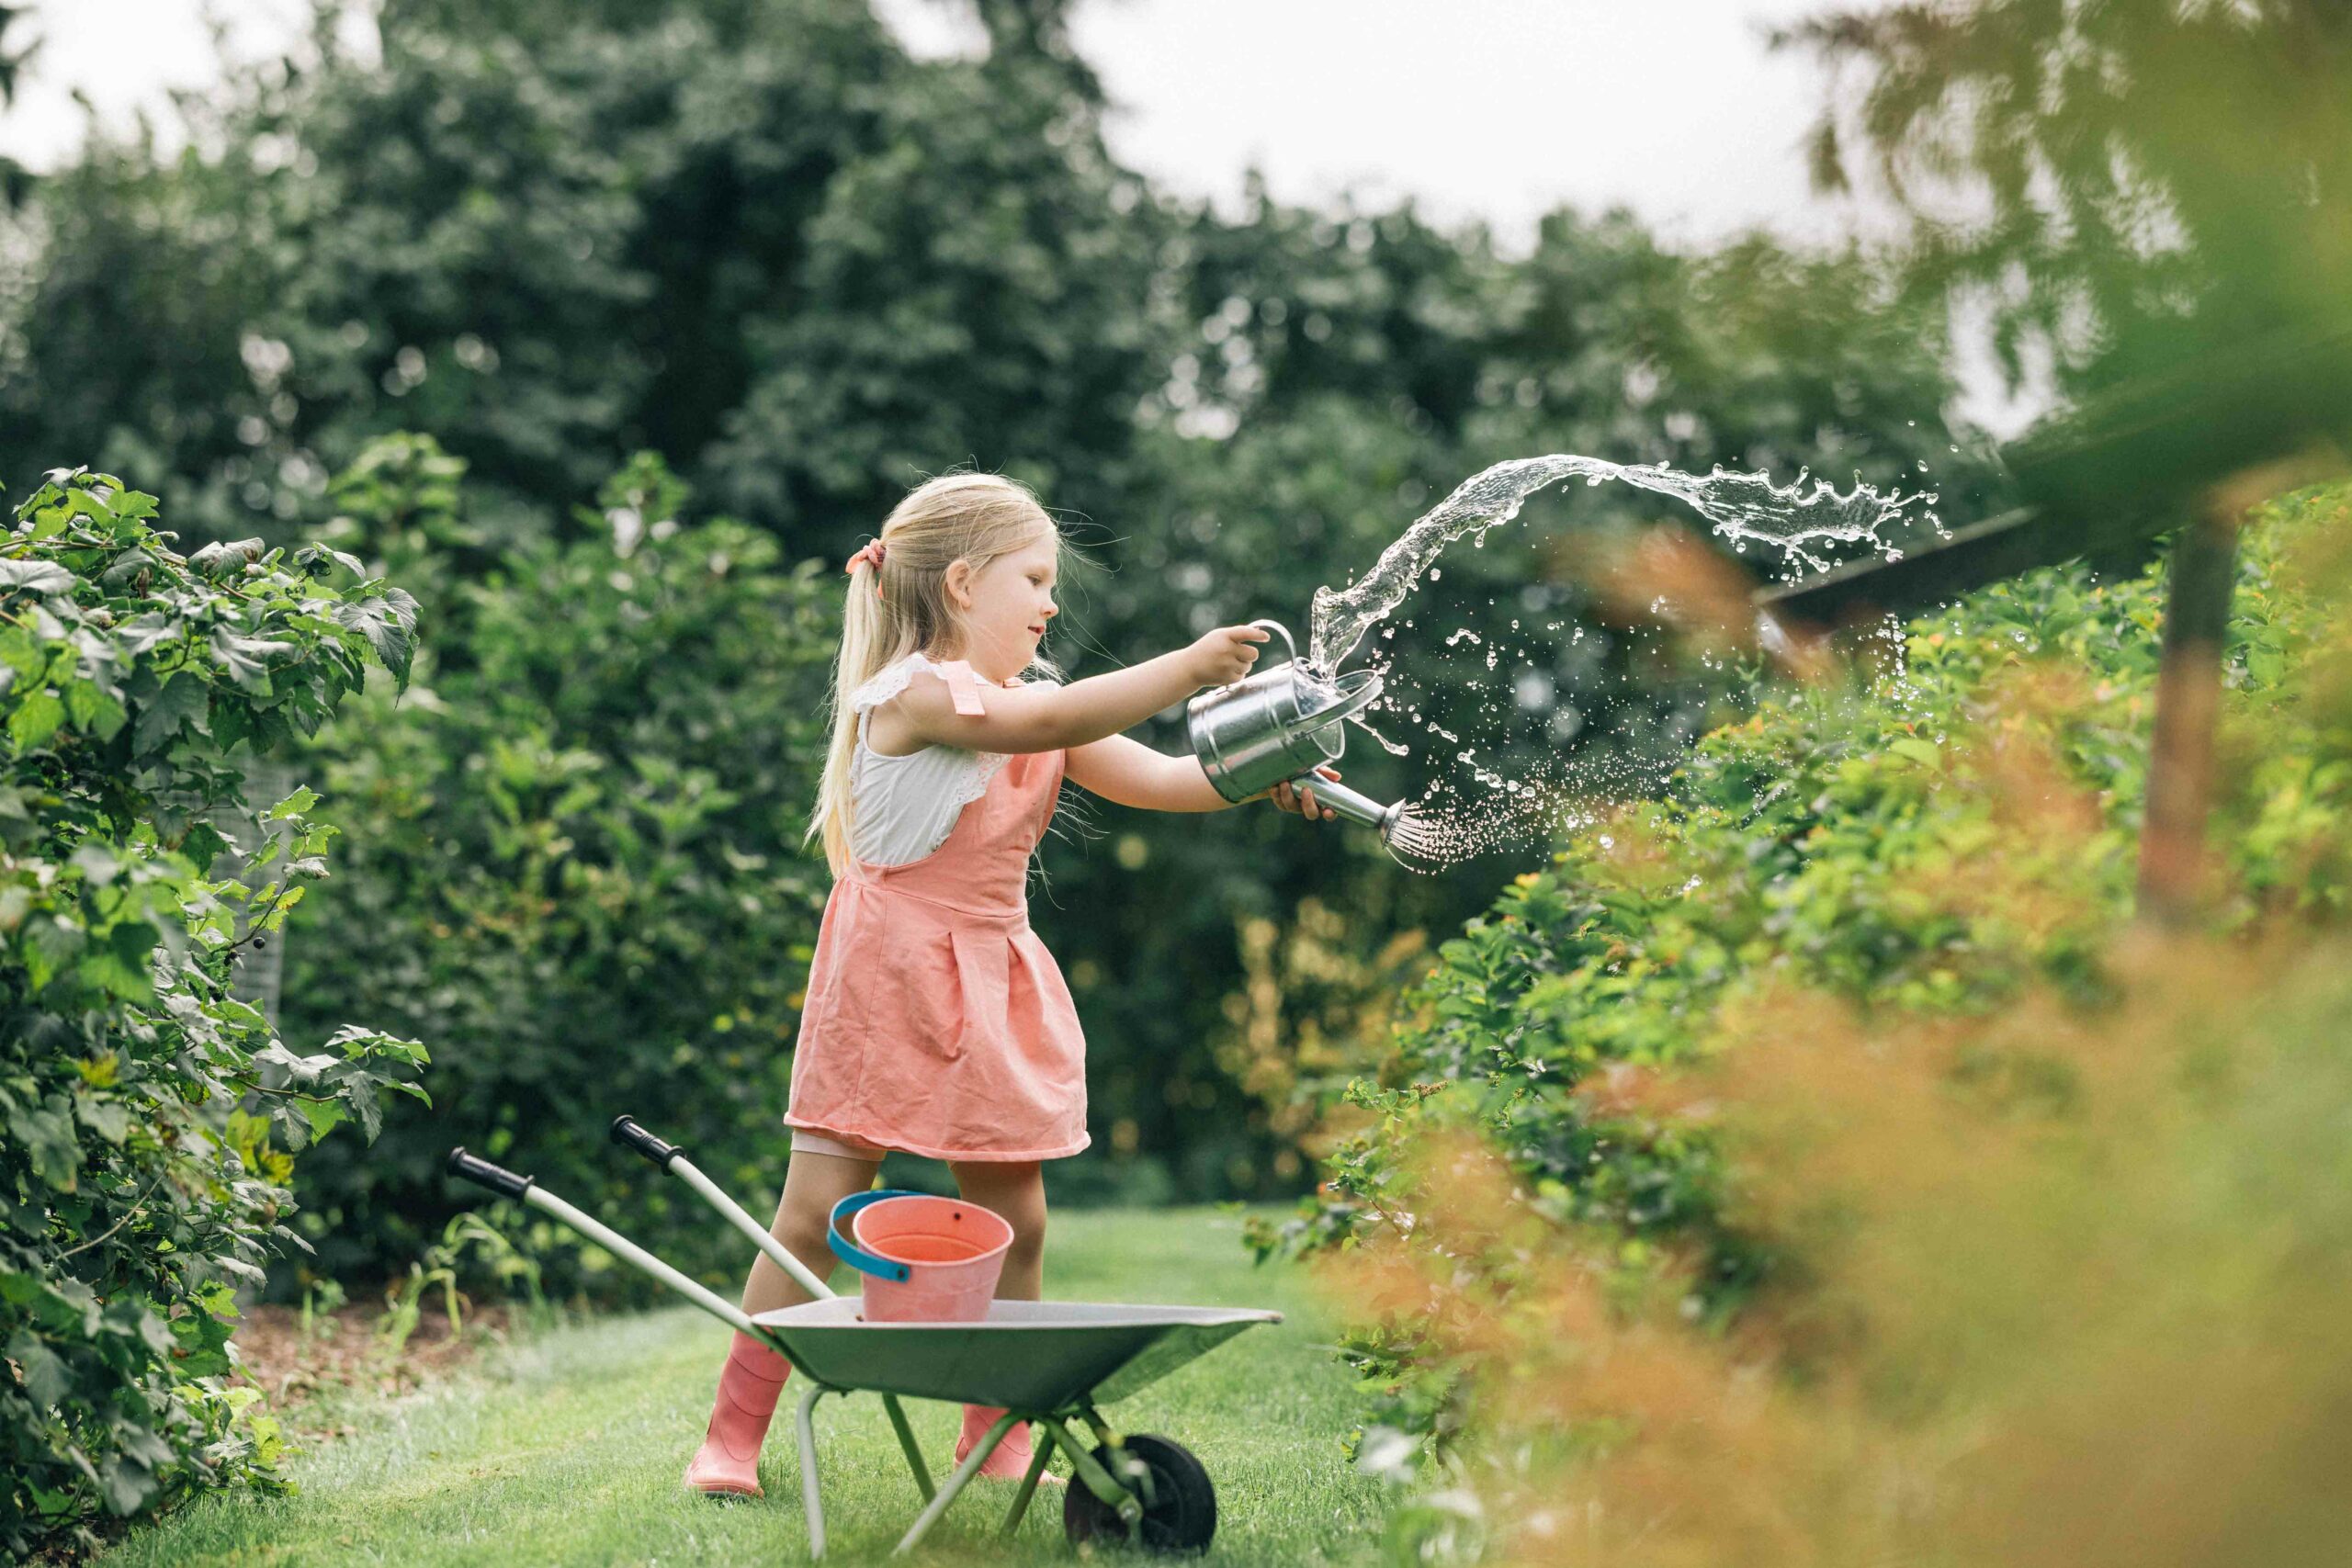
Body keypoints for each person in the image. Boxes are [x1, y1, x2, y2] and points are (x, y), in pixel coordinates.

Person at [684, 471, 1339, 1497]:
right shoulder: (915, 694)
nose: (1050, 601)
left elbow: (1168, 781)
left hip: (991, 969)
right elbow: (1030, 729)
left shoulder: (1039, 706)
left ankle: (998, 1432)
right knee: (812, 1212)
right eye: (1033, 579)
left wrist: (1266, 767)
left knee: (1017, 1224)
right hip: (889, 971)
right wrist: (1186, 666)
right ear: (958, 587)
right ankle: (729, 1438)